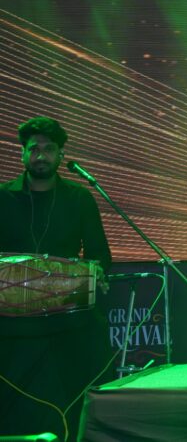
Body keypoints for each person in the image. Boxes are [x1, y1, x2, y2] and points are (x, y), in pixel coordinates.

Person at [0, 116, 112, 438]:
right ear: (22, 153)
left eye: (49, 149)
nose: (41, 155)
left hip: (66, 312)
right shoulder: (3, 197)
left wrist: (96, 273)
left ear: (61, 154)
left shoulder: (79, 198)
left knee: (93, 334)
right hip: (12, 314)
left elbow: (99, 255)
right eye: (33, 149)